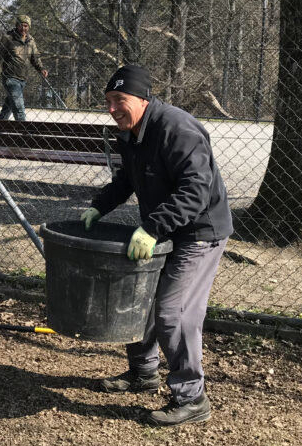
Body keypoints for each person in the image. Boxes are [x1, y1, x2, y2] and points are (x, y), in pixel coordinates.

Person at [81, 65, 232, 426]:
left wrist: (151, 228)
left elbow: (196, 190)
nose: (112, 108)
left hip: (199, 232)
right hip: (164, 228)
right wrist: (99, 206)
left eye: (120, 99)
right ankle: (143, 372)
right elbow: (127, 180)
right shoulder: (130, 132)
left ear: (143, 99)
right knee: (140, 300)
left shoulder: (177, 128)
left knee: (173, 312)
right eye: (108, 101)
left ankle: (192, 398)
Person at [0, 14, 48, 121]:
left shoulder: (31, 41)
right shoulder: (8, 39)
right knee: (19, 109)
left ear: (29, 27)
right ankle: (23, 130)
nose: (23, 28)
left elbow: (35, 58)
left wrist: (41, 69)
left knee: (8, 108)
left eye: (25, 26)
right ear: (16, 25)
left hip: (23, 79)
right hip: (10, 78)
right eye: (21, 25)